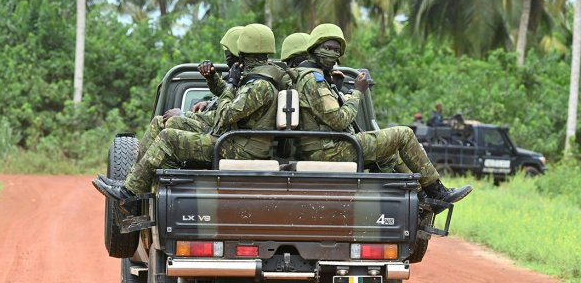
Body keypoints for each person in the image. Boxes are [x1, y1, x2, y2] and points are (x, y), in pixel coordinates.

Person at [92, 23, 280, 201]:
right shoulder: (256, 80)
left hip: (239, 149)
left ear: (243, 53)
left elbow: (224, 117)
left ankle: (129, 192)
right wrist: (217, 82)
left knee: (169, 137)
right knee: (168, 123)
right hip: (235, 141)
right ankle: (133, 182)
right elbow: (228, 110)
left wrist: (231, 84)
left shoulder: (259, 85)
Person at [295, 23, 472, 204]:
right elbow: (339, 120)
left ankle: (420, 200)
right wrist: (357, 92)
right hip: (330, 150)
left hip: (328, 146)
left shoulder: (315, 76)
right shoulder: (313, 79)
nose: (333, 53)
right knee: (404, 134)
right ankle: (437, 191)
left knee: (390, 154)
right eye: (327, 48)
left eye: (336, 50)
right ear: (314, 48)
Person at [136, 26, 244, 160]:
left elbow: (225, 115)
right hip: (217, 130)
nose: (226, 54)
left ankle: (137, 177)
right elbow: (225, 98)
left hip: (223, 136)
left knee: (169, 124)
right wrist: (211, 84)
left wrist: (183, 114)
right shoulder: (237, 76)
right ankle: (137, 173)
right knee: (160, 121)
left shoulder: (246, 80)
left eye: (228, 50)